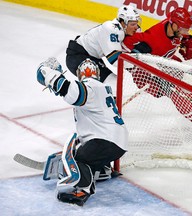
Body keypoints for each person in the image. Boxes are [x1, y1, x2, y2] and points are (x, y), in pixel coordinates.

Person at [36, 57, 128, 206]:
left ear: (80, 74)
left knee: (78, 158)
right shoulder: (103, 88)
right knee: (84, 150)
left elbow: (71, 92)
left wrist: (48, 73)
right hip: (117, 142)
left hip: (106, 140)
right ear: (97, 73)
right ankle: (102, 170)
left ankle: (82, 189)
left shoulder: (89, 86)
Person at [122, 7, 192, 127]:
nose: (185, 32)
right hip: (146, 74)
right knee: (174, 90)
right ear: (175, 26)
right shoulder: (152, 39)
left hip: (164, 63)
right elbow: (125, 43)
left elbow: (183, 38)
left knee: (188, 79)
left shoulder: (173, 26)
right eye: (183, 29)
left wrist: (186, 45)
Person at [66, 5, 141, 95]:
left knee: (113, 84)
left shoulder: (123, 30)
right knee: (111, 84)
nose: (136, 27)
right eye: (133, 24)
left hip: (92, 58)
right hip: (77, 57)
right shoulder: (111, 29)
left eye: (136, 23)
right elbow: (115, 59)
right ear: (123, 23)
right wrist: (139, 66)